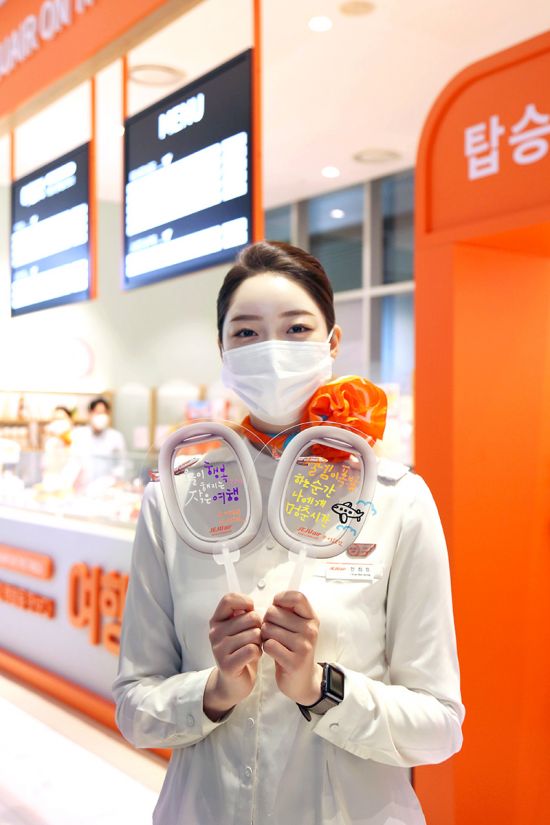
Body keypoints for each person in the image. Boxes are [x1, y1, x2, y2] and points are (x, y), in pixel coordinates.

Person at [113, 241, 465, 825]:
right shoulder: (176, 500)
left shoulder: (395, 498)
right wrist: (215, 691)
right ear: (223, 350)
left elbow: (439, 727)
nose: (271, 349)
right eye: (246, 332)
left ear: (332, 342)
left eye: (296, 328)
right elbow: (134, 707)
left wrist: (321, 688)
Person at [72, 397, 127, 484]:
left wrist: (114, 480)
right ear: (90, 414)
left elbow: (122, 464)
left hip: (108, 487)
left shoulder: (116, 437)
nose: (101, 416)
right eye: (97, 413)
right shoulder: (79, 434)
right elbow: (74, 462)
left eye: (104, 413)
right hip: (83, 486)